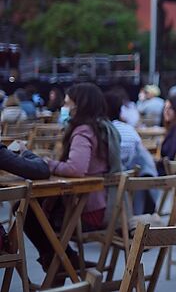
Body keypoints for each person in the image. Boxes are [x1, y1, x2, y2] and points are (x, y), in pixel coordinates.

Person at [23, 83, 121, 278]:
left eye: (67, 103)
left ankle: (64, 263)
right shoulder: (103, 127)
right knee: (33, 210)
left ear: (79, 105)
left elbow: (76, 168)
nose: (63, 107)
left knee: (26, 210)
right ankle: (65, 262)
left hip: (86, 213)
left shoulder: (83, 131)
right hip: (105, 207)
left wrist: (48, 164)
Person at [156, 95, 176, 175]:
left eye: (170, 108)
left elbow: (170, 155)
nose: (166, 111)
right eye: (165, 108)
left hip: (168, 175)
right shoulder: (174, 128)